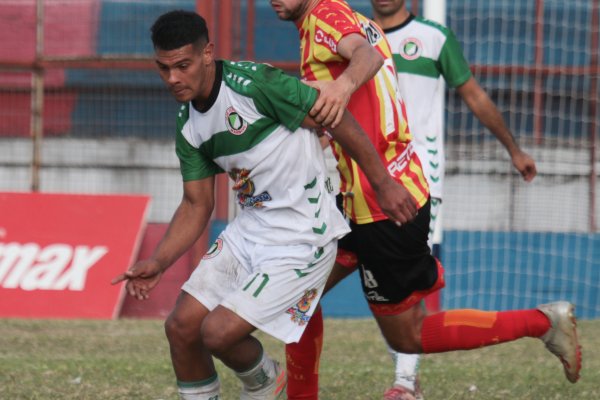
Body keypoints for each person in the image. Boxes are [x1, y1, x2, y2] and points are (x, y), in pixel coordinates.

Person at [269, 1, 581, 399]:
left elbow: (366, 60)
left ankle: (541, 323)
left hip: (384, 201)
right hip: (358, 199)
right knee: (297, 296)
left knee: (408, 334)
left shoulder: (329, 19)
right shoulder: (349, 20)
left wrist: (341, 88)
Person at [111, 9, 417, 400]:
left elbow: (336, 117)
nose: (173, 78)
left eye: (182, 66)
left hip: (304, 238)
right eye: (163, 68)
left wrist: (383, 182)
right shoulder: (188, 121)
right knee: (181, 329)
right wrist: (158, 261)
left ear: (207, 54)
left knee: (217, 333)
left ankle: (266, 380)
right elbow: (195, 204)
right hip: (250, 231)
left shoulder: (255, 84)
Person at [369, 0, 539, 398]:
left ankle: (404, 382)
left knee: (407, 278)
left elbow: (475, 97)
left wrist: (513, 150)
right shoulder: (355, 36)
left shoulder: (433, 38)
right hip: (362, 179)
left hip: (416, 181)